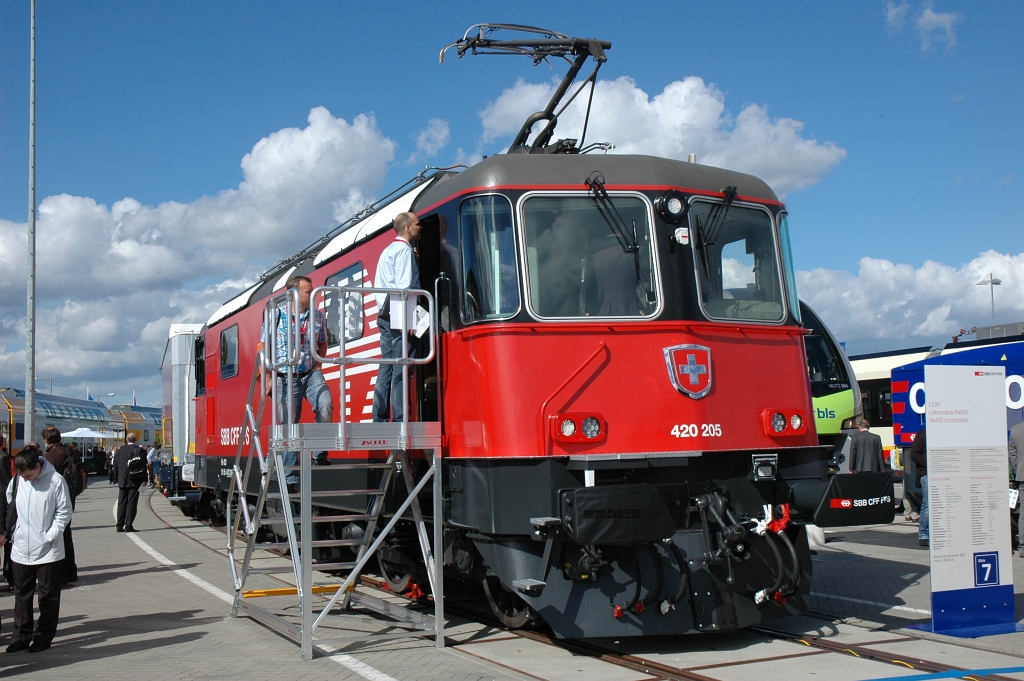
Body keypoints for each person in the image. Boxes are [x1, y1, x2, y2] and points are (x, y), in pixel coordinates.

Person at [257, 275, 333, 482]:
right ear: (293, 294)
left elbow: (323, 343)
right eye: (308, 291)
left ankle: (319, 452)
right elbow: (262, 346)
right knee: (290, 423)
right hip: (285, 376)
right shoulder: (276, 316)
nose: (313, 294)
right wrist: (268, 376)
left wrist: (318, 365)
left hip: (310, 373)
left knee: (326, 403)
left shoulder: (318, 316)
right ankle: (290, 477)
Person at [1, 444, 73, 653]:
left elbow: (64, 511)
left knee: (47, 596)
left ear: (37, 466)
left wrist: (50, 535)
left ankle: (43, 636)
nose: (26, 479)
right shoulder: (17, 481)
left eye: (29, 475)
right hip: (21, 547)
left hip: (48, 550)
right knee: (21, 594)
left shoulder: (55, 481)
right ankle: (21, 635)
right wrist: (15, 531)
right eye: (22, 476)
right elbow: (9, 502)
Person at [372, 212, 422, 423]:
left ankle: (380, 419)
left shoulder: (388, 251)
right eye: (418, 223)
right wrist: (408, 319)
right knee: (402, 368)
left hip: (384, 314)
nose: (421, 227)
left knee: (386, 367)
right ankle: (401, 420)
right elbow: (403, 287)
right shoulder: (403, 251)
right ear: (408, 227)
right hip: (397, 315)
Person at [40, 426, 77, 585]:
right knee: (67, 534)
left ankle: (61, 574)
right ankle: (71, 571)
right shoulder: (70, 451)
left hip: (55, 498)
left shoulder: (48, 457)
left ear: (47, 440)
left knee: (57, 535)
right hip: (71, 495)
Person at [112, 433, 146, 532]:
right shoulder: (140, 451)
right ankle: (128, 525)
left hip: (122, 480)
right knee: (132, 503)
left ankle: (119, 525)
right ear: (136, 440)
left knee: (121, 503)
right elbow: (143, 466)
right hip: (135, 480)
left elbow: (115, 467)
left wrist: (115, 478)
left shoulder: (119, 451)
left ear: (126, 440)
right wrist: (145, 479)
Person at [1007, 420, 1024, 555]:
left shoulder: (1016, 429)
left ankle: (1023, 547)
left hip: (1022, 476)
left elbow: (1012, 455)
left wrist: (1018, 470)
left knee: (1023, 512)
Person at [909, 428, 928, 547]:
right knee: (927, 505)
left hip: (940, 473)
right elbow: (914, 454)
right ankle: (924, 534)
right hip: (926, 473)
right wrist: (929, 463)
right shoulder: (923, 434)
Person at [0, 436, 13, 589]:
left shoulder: (3, 458)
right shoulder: (3, 458)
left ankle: (9, 577)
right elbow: (5, 488)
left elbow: (4, 488)